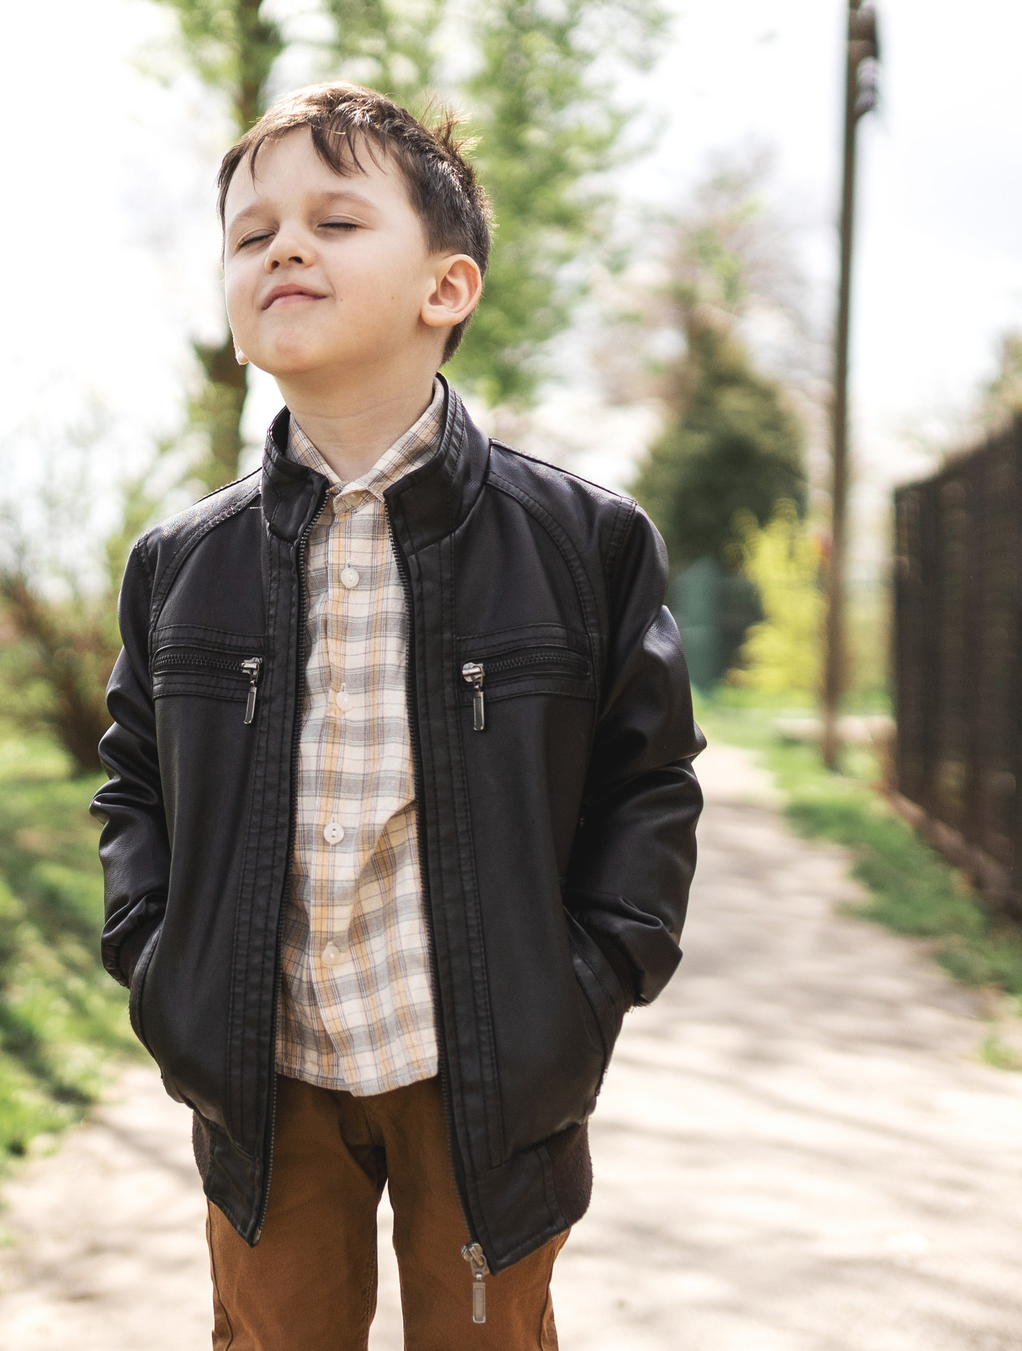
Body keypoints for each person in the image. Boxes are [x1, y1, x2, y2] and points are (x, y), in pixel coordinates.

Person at [93, 82, 704, 1349]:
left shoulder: (584, 544)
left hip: (483, 1063)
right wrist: (157, 965)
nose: (286, 250)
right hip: (265, 1068)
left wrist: (591, 982)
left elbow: (648, 785)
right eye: (252, 235)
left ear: (446, 289)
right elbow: (132, 786)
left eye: (335, 220)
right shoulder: (179, 563)